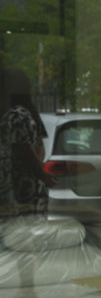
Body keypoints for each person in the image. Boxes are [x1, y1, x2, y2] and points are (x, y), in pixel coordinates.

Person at [0, 67, 52, 219]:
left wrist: (41, 172)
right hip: (31, 188)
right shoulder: (28, 113)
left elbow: (23, 147)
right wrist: (39, 172)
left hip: (18, 189)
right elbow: (39, 146)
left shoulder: (16, 115)